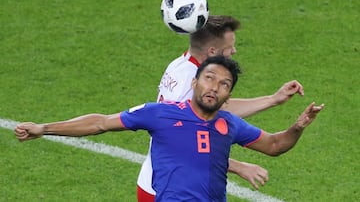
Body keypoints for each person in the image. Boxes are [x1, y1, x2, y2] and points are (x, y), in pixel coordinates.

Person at [14, 56, 324, 202]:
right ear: (194, 82)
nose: (215, 87)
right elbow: (100, 123)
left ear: (229, 95)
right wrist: (44, 128)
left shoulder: (229, 124)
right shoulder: (159, 114)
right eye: (209, 78)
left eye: (224, 84)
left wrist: (297, 126)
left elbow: (273, 145)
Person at [137, 15, 305, 201]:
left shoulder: (182, 65)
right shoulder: (188, 85)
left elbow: (220, 109)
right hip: (168, 187)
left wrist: (272, 99)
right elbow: (187, 145)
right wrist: (239, 166)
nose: (234, 51)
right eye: (228, 48)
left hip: (155, 178)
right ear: (212, 51)